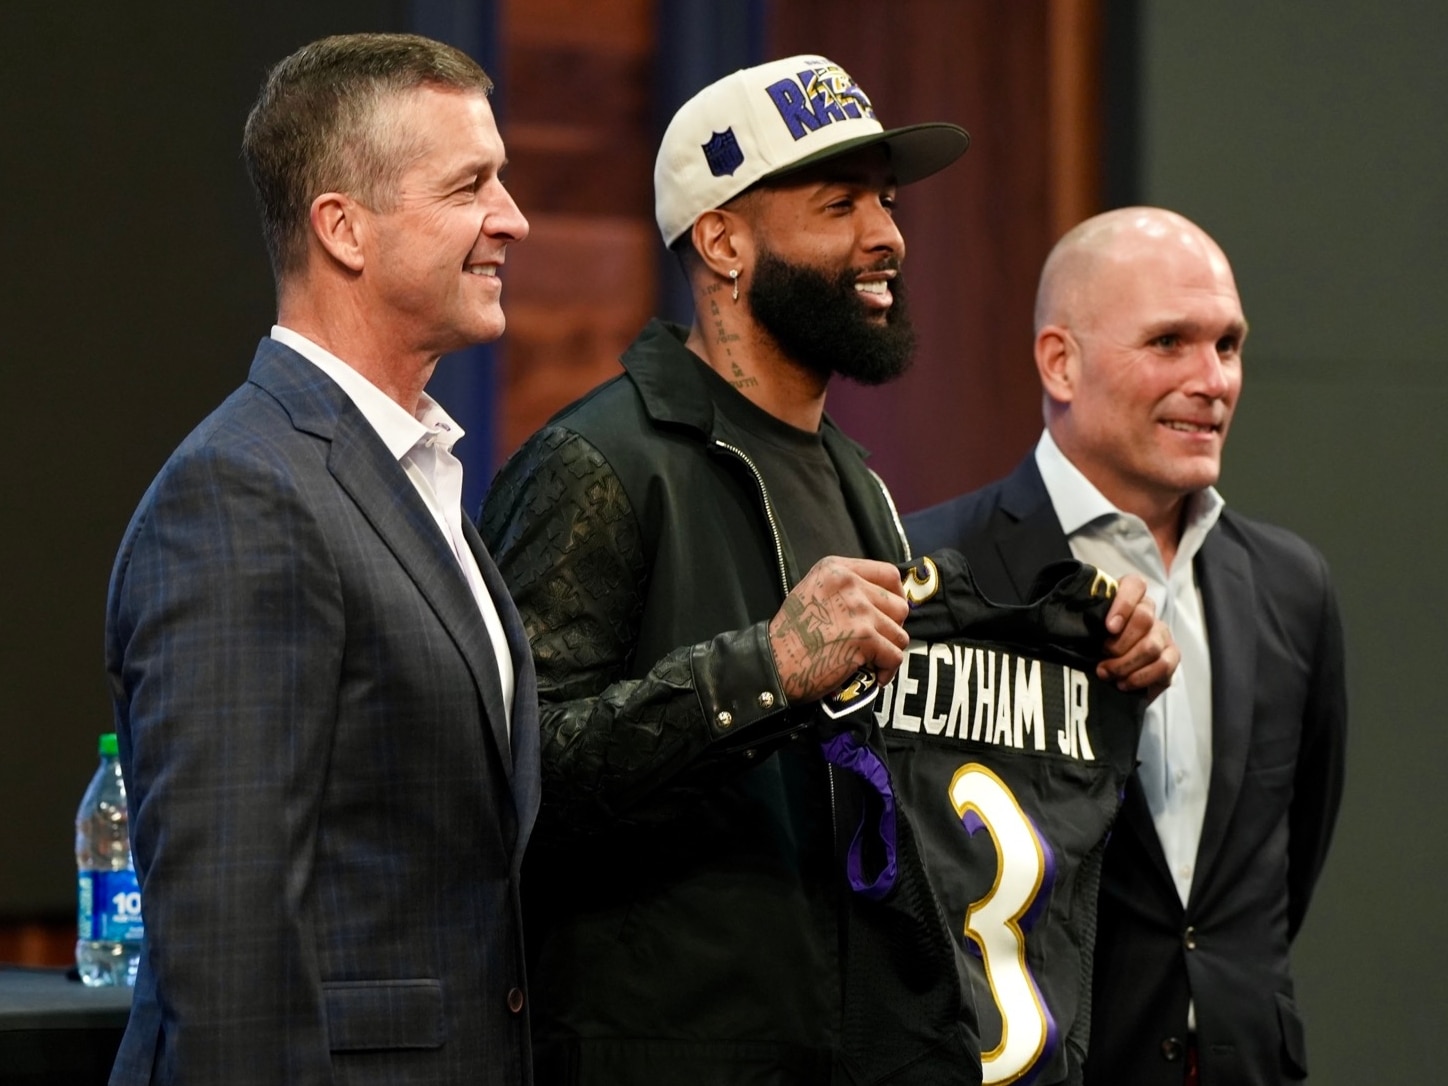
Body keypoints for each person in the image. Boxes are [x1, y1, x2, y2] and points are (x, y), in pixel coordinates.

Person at [480, 56, 1174, 1086]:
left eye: (885, 203)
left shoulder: (858, 483)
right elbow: (512, 782)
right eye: (837, 203)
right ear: (722, 241)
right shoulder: (598, 464)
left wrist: (1086, 647)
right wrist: (764, 667)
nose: (886, 236)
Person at [105, 33, 538, 1086]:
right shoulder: (243, 492)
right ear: (342, 228)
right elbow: (229, 941)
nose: (512, 218)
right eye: (470, 185)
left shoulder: (408, 470)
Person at [907, 206, 1348, 1086]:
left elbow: (1284, 869)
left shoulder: (1294, 587)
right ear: (1059, 362)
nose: (1212, 379)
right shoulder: (936, 576)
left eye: (1228, 345)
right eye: (1170, 343)